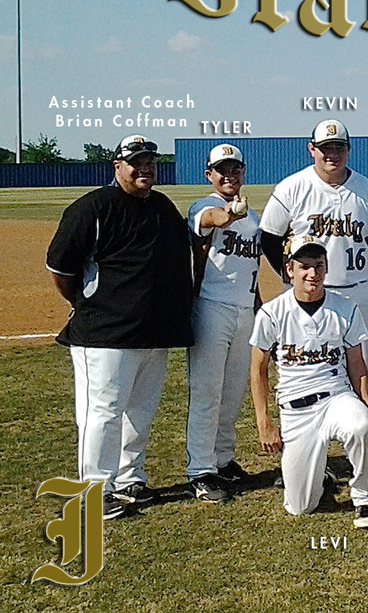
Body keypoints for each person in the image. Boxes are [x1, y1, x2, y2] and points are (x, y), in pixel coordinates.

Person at [47, 134, 194, 520]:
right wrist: (85, 304)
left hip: (153, 332)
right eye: (136, 162)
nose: (145, 169)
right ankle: (94, 492)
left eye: (150, 162)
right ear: (117, 167)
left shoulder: (162, 207)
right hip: (105, 335)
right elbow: (61, 268)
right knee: (104, 413)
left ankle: (130, 479)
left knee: (140, 412)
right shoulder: (93, 208)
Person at [249, 237, 368, 528]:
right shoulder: (272, 312)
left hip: (336, 397)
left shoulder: (344, 308)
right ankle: (319, 474)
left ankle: (366, 499)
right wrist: (264, 421)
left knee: (359, 426)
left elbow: (357, 365)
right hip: (296, 410)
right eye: (304, 266)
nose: (312, 274)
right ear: (289, 270)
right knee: (300, 507)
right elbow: (258, 369)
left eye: (318, 266)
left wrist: (367, 407)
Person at [259, 120, 368, 384]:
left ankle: (362, 425)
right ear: (311, 149)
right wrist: (289, 274)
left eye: (339, 147)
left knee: (362, 374)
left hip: (357, 291)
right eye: (325, 148)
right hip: (310, 294)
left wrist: (352, 269)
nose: (333, 154)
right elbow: (269, 236)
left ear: (349, 150)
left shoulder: (366, 190)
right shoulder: (292, 187)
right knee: (308, 374)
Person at [185, 143, 261, 503]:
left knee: (232, 391)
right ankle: (200, 469)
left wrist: (260, 311)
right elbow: (212, 221)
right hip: (211, 307)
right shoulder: (204, 206)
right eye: (222, 170)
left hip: (244, 308)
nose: (229, 175)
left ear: (243, 172)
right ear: (209, 175)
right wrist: (229, 214)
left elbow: (252, 271)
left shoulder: (255, 218)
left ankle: (223, 458)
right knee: (206, 390)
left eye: (235, 170)